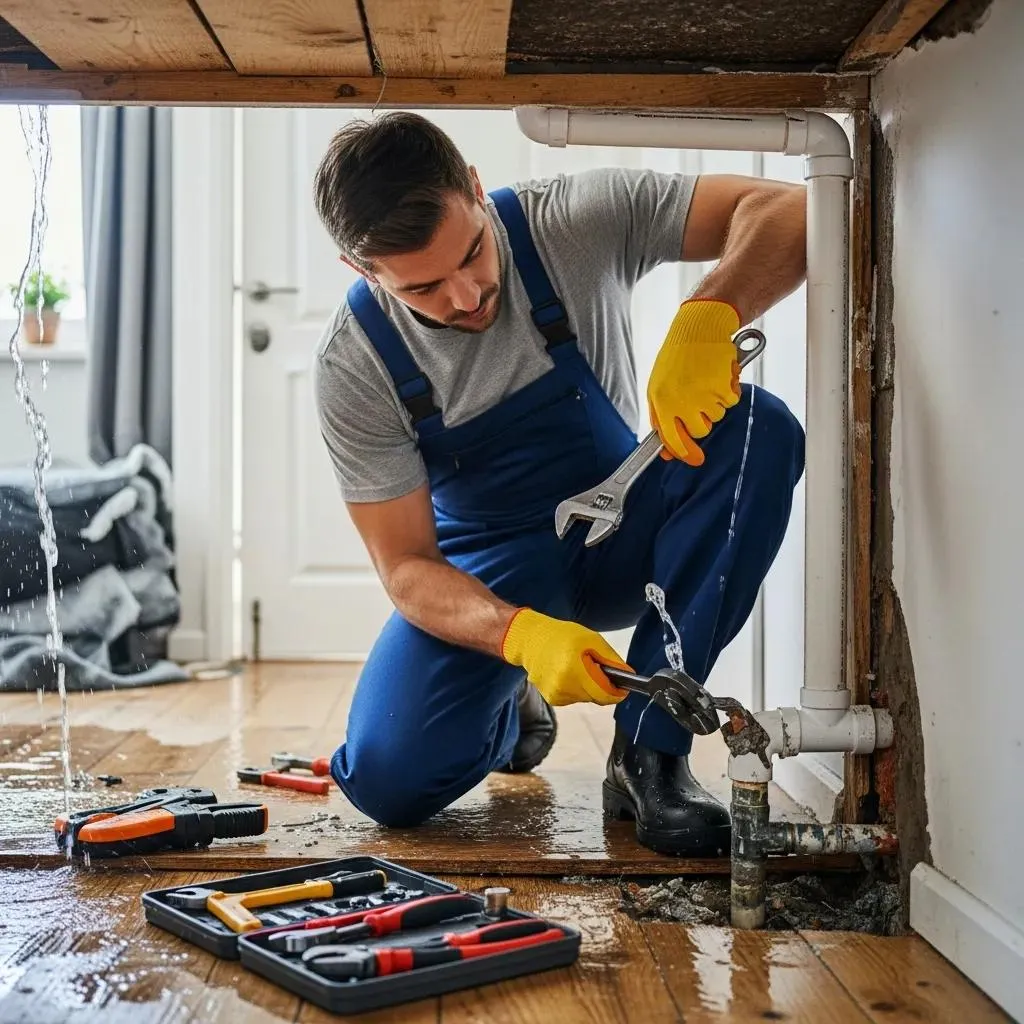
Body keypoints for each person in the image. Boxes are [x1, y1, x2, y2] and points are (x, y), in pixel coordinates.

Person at [311, 111, 806, 857]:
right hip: (496, 573)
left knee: (758, 427)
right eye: (423, 289)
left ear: (475, 190)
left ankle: (649, 753)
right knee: (387, 783)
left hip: (626, 529)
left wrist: (712, 312)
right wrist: (517, 635)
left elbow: (790, 210)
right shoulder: (354, 364)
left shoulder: (570, 222)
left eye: (472, 253)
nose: (467, 295)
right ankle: (514, 706)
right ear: (363, 271)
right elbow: (406, 567)